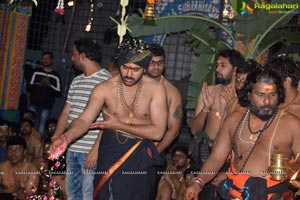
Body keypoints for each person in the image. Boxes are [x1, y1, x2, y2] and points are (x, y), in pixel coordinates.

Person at [50, 38, 168, 200]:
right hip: (109, 150)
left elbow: (158, 132)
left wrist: (118, 124)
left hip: (138, 154)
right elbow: (84, 119)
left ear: (145, 68)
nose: (129, 74)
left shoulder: (156, 89)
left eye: (136, 69)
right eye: (125, 67)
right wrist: (66, 137)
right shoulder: (104, 88)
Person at [185, 68, 300, 200]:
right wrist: (198, 182)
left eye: (272, 95)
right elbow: (216, 158)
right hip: (233, 193)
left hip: (274, 195)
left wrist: (291, 168)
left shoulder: (292, 124)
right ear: (249, 95)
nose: (267, 101)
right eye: (261, 95)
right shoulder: (234, 120)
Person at [52, 38, 111, 200]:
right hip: (72, 147)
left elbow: (108, 120)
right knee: (72, 193)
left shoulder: (107, 81)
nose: (72, 58)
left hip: (90, 151)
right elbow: (65, 113)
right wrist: (57, 138)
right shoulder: (76, 81)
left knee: (88, 195)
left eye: (74, 54)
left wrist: (96, 149)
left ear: (83, 56)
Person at [189, 49, 245, 167]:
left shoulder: (244, 98)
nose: (217, 69)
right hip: (204, 152)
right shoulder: (209, 92)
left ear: (235, 69)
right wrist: (206, 108)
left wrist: (232, 106)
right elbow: (194, 130)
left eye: (223, 65)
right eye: (217, 65)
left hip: (230, 156)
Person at [147, 43, 183, 199]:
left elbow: (173, 130)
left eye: (160, 63)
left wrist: (154, 153)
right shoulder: (134, 84)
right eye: (152, 63)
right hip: (127, 148)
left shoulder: (171, 92)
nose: (156, 67)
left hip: (153, 151)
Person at [28, 51, 62, 136]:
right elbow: (28, 87)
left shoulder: (55, 75)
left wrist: (49, 85)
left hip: (46, 106)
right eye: (44, 58)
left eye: (47, 58)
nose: (45, 60)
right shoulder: (36, 72)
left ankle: (39, 145)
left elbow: (59, 92)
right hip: (33, 103)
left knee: (42, 127)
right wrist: (39, 85)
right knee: (29, 124)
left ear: (52, 61)